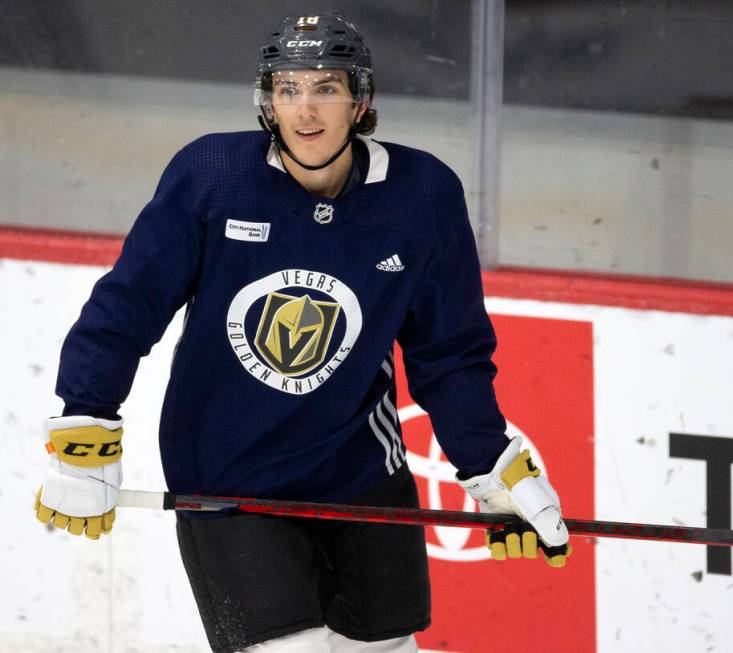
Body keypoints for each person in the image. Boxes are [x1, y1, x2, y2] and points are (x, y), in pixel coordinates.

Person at [34, 12, 570, 653]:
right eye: (288, 88)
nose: (305, 109)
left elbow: (448, 354)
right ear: (268, 101)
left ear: (360, 100)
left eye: (325, 87)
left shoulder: (421, 195)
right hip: (229, 483)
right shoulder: (213, 176)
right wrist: (86, 425)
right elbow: (126, 308)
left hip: (361, 477)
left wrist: (491, 466)